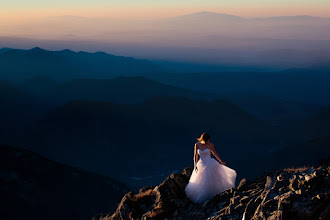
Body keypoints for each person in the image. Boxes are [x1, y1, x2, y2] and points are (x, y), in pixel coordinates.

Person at [184, 133, 237, 204]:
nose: (207, 141)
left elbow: (214, 153)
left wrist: (220, 161)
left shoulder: (210, 145)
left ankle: (210, 195)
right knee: (201, 180)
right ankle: (202, 196)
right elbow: (195, 156)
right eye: (207, 140)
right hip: (201, 164)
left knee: (209, 179)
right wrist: (195, 165)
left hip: (209, 163)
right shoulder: (197, 145)